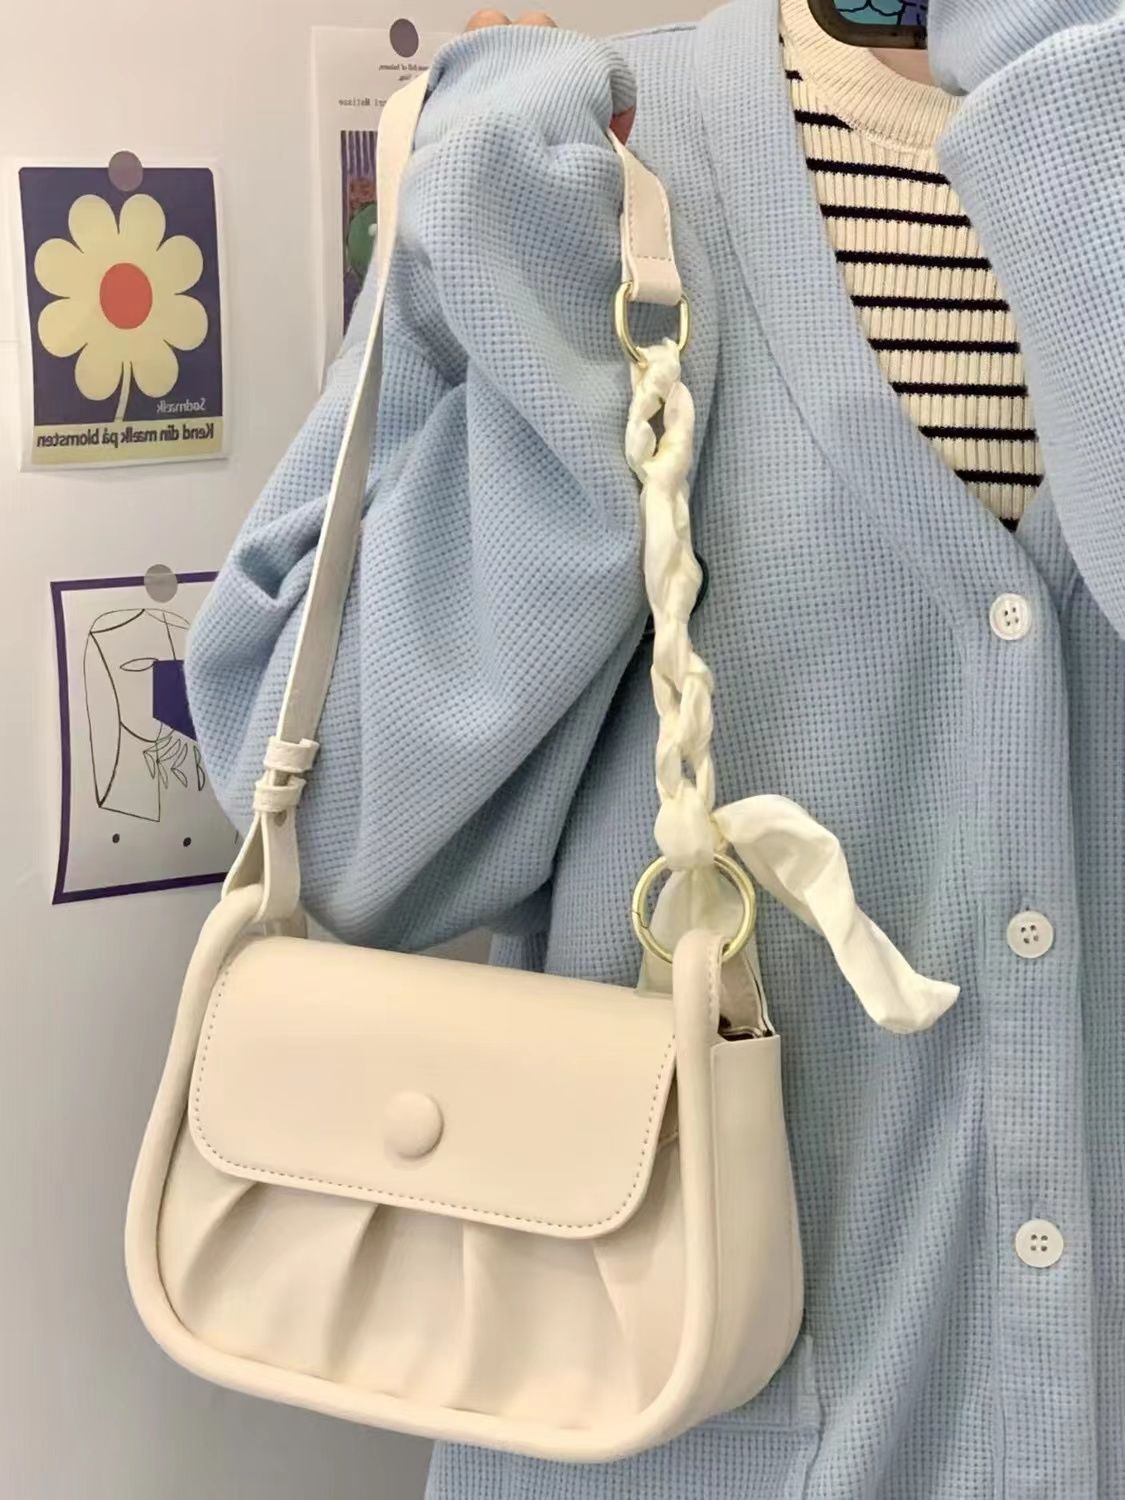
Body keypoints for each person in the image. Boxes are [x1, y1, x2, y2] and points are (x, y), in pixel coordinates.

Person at [187, 0, 1125, 1495]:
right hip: (678, 1438)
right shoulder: (591, 160)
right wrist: (538, 326)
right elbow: (346, 835)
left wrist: (1070, 89)